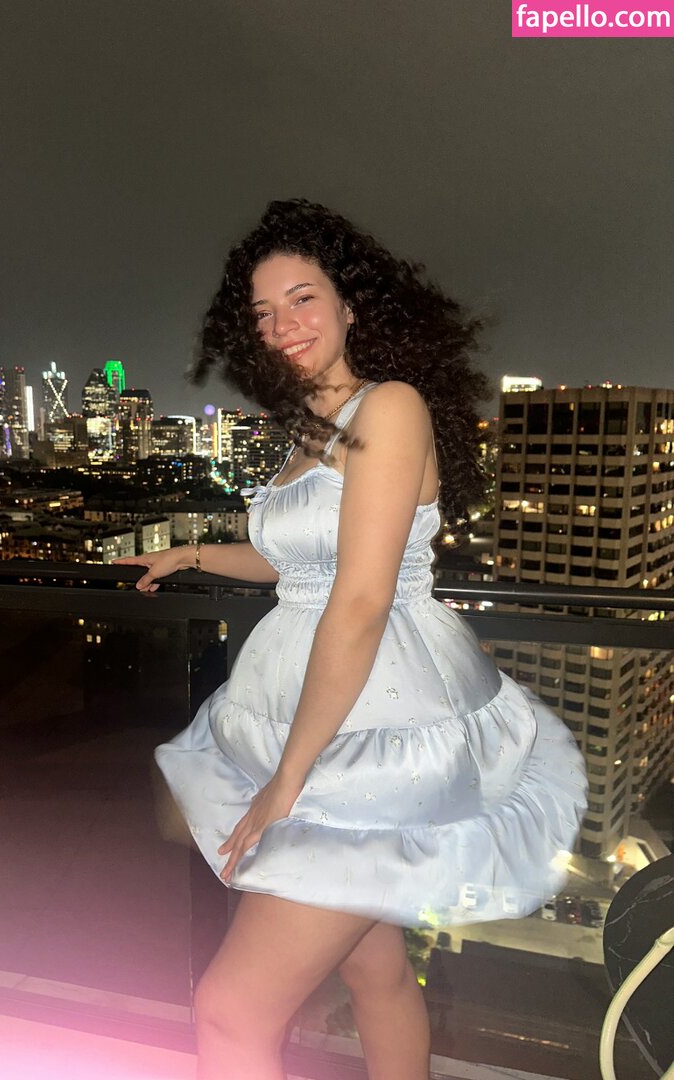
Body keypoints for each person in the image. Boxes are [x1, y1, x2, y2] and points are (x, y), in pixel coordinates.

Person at [115, 198, 588, 1080]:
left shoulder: (390, 407)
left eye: (302, 299)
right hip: (315, 705)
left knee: (229, 1010)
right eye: (264, 312)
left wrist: (288, 781)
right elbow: (293, 560)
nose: (282, 325)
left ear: (350, 305)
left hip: (369, 722)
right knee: (375, 971)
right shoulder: (308, 424)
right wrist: (193, 552)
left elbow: (362, 598)